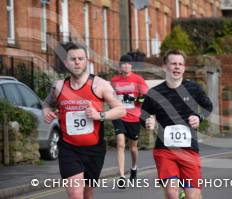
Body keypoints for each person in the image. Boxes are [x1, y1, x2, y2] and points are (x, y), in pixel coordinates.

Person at [43, 42, 126, 199]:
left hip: (94, 150)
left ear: (86, 61)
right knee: (75, 193)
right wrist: (46, 111)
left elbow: (121, 109)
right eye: (73, 59)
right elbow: (47, 103)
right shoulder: (59, 87)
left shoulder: (100, 85)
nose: (77, 62)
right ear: (66, 62)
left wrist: (99, 115)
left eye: (81, 58)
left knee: (87, 194)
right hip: (69, 149)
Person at [141, 49, 213, 199]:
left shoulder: (193, 88)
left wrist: (199, 117)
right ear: (164, 67)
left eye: (180, 64)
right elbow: (143, 115)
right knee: (171, 193)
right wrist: (148, 122)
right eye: (173, 63)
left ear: (184, 68)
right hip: (165, 149)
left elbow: (208, 107)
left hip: (189, 149)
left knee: (192, 196)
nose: (177, 67)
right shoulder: (155, 93)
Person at [111, 54, 149, 187]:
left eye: (128, 64)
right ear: (120, 66)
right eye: (123, 64)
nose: (126, 66)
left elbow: (145, 98)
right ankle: (121, 176)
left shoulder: (138, 80)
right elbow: (112, 97)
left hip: (134, 117)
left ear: (132, 66)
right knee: (120, 143)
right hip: (119, 116)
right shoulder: (115, 80)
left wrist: (133, 100)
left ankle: (134, 167)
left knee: (133, 148)